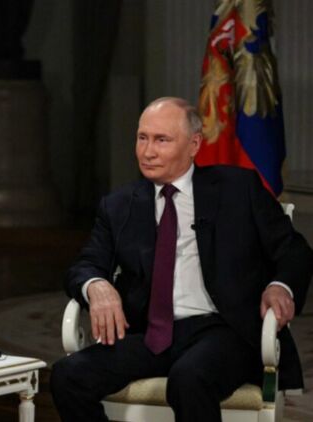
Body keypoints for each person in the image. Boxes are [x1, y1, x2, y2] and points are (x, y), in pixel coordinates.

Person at [49, 97, 313, 421]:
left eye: (162, 140)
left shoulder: (238, 188)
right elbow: (85, 263)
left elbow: (294, 250)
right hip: (151, 335)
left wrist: (280, 286)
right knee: (67, 376)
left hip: (224, 331)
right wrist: (96, 285)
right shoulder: (118, 205)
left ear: (194, 145)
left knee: (188, 379)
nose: (147, 152)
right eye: (142, 138)